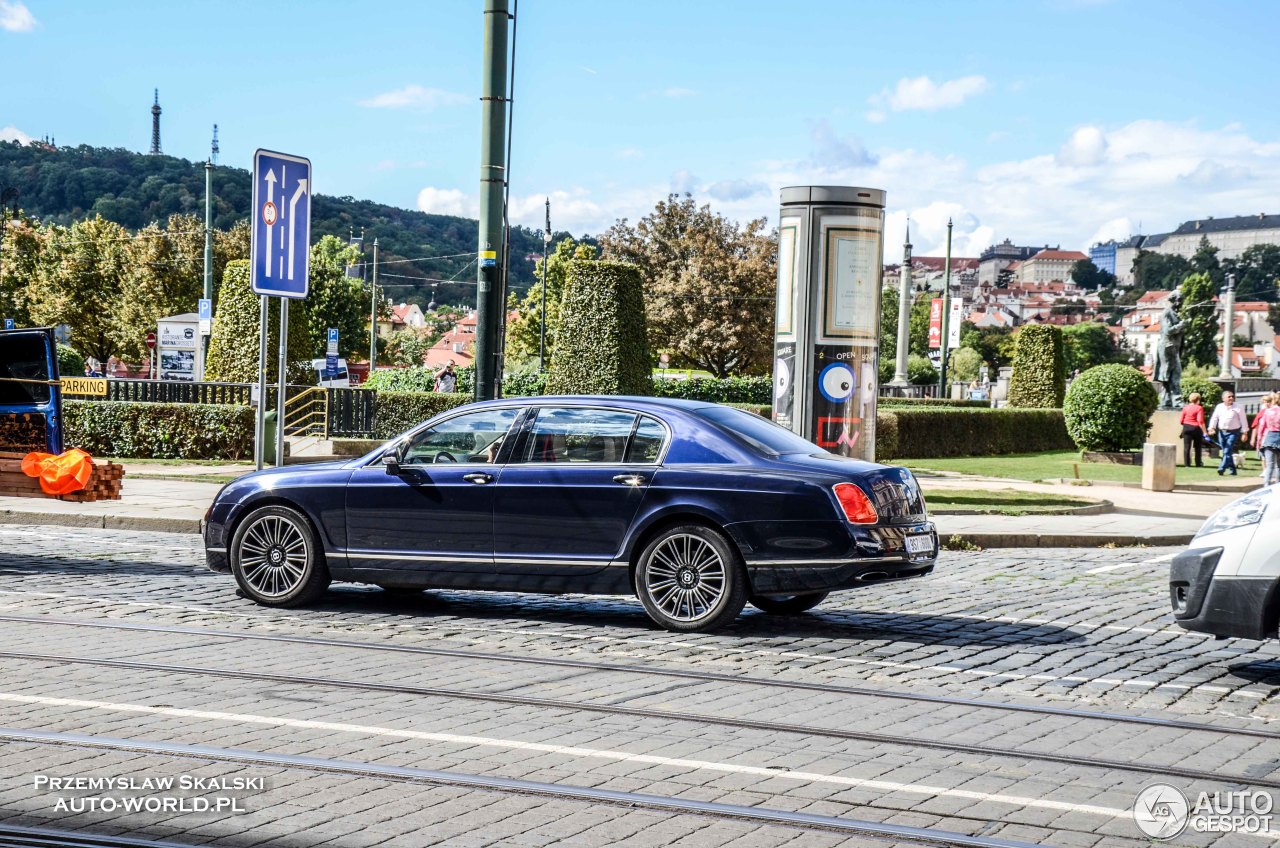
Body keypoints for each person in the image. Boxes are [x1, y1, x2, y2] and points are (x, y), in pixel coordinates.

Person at [1207, 390, 1248, 476]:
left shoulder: (1239, 407)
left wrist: (1245, 433)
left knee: (1227, 450)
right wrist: (1211, 428)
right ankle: (1233, 470)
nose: (1231, 398)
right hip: (1222, 432)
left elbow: (1243, 420)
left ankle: (1221, 468)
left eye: (1232, 396)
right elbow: (1214, 418)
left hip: (1234, 432)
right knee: (1227, 451)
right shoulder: (1219, 407)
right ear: (1223, 398)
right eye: (1229, 397)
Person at [1257, 393, 1280, 486]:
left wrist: (1259, 441)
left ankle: (1266, 486)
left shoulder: (1267, 412)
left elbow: (1262, 427)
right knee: (1279, 466)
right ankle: (1278, 485)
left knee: (1269, 465)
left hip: (1270, 437)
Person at [1179, 392, 1206, 467]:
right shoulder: (1199, 408)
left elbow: (1181, 420)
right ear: (1198, 399)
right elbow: (1200, 420)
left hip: (1186, 428)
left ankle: (1187, 464)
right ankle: (1198, 463)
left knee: (1187, 447)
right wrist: (1205, 432)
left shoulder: (1185, 408)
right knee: (1198, 447)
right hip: (1196, 428)